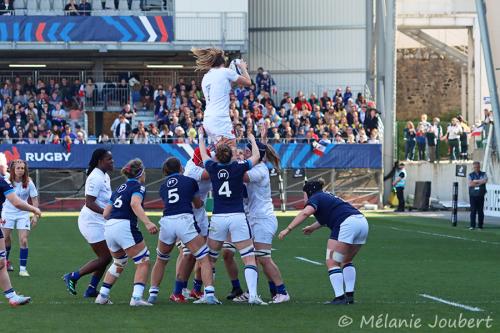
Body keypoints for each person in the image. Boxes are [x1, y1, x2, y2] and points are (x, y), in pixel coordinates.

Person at [197, 127, 267, 305]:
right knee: (248, 256)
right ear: (231, 155)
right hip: (237, 216)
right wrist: (251, 138)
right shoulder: (238, 167)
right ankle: (252, 295)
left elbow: (204, 154)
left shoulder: (212, 167)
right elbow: (257, 157)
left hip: (219, 217)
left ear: (217, 156)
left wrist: (201, 136)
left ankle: (209, 294)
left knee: (210, 258)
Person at [278, 180, 369, 305]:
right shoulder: (326, 195)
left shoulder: (315, 197)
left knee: (332, 261)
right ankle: (349, 296)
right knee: (346, 260)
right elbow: (328, 216)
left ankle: (340, 297)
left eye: (304, 193)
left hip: (347, 224)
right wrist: (313, 227)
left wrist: (288, 229)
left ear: (309, 192)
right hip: (361, 222)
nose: (303, 196)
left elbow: (306, 212)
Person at [148, 157, 219, 305]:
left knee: (161, 259)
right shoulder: (189, 181)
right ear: (181, 168)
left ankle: (153, 294)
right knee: (203, 257)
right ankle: (210, 295)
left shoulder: (163, 186)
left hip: (167, 221)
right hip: (184, 220)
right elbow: (198, 204)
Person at [95, 159, 159, 306]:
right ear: (141, 173)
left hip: (109, 226)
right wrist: (148, 223)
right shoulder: (139, 186)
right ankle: (136, 298)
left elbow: (105, 214)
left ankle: (102, 295)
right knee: (143, 260)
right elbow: (134, 204)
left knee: (119, 261)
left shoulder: (119, 189)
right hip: (124, 225)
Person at [242, 136, 290, 303]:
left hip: (262, 219)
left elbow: (243, 177)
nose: (244, 154)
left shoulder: (259, 170)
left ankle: (282, 292)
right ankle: (256, 291)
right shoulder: (256, 167)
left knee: (263, 258)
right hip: (255, 218)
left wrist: (229, 162)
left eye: (247, 152)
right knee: (254, 257)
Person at [63, 149, 114, 298]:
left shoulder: (105, 175)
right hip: (91, 221)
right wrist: (107, 213)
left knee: (106, 257)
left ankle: (91, 289)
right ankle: (73, 276)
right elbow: (90, 203)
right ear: (100, 161)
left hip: (101, 220)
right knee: (105, 257)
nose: (112, 161)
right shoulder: (95, 177)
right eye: (109, 159)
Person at [191, 48, 251, 148]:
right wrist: (243, 67)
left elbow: (224, 89)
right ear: (223, 62)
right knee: (232, 151)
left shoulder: (206, 77)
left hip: (208, 119)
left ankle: (200, 162)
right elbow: (248, 82)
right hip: (220, 119)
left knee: (220, 153)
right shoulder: (225, 72)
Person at [0, 169, 42, 306]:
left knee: (1, 263)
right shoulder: (3, 182)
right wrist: (34, 210)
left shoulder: (3, 182)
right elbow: (16, 202)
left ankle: (12, 296)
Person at [1, 160, 39, 277]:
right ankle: (5, 264)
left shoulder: (28, 182)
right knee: (5, 238)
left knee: (23, 240)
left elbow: (34, 199)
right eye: (18, 168)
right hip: (8, 212)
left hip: (23, 214)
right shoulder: (7, 181)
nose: (20, 170)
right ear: (13, 169)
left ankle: (23, 269)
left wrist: (35, 215)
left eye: (22, 168)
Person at [468, 161, 488, 230]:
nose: (476, 168)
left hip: (480, 194)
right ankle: (472, 225)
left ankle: (480, 225)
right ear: (473, 167)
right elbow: (470, 184)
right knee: (473, 210)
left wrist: (475, 181)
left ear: (479, 167)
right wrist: (479, 182)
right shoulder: (470, 175)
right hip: (473, 195)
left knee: (480, 211)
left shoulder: (483, 174)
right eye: (475, 167)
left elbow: (485, 180)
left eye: (477, 167)